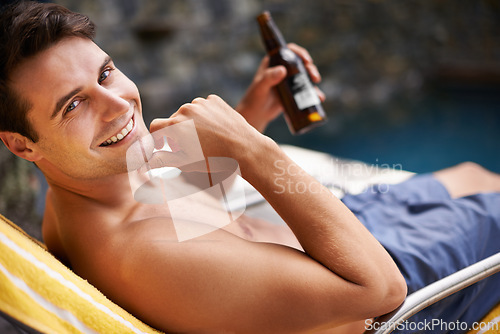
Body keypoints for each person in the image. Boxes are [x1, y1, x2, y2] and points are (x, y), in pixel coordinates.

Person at [0, 2, 498, 333]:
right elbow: (380, 292)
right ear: (22, 146)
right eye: (73, 105)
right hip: (388, 283)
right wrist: (254, 147)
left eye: (106, 72)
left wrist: (249, 116)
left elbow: (193, 222)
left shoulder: (83, 200)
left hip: (344, 234)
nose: (118, 105)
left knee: (473, 174)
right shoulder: (144, 259)